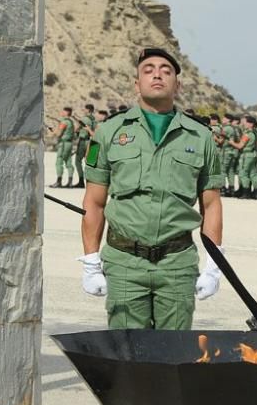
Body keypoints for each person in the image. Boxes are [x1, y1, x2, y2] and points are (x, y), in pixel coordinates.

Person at [79, 47, 225, 329]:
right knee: (127, 354)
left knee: (173, 356)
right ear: (137, 84)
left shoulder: (202, 136)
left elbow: (211, 204)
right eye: (148, 70)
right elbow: (94, 202)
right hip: (124, 264)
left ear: (178, 85)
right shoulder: (108, 133)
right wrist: (90, 262)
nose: (157, 74)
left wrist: (213, 267)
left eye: (166, 71)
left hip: (177, 263)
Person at [50, 106, 76, 188]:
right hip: (69, 144)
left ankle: (59, 181)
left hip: (63, 144)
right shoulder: (71, 122)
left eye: (63, 111)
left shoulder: (64, 122)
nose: (61, 113)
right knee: (68, 162)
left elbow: (58, 134)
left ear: (66, 112)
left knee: (59, 162)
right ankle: (70, 181)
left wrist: (53, 131)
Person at [73, 104, 97, 188]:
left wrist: (76, 128)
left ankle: (81, 181)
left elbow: (76, 129)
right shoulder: (94, 119)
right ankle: (90, 181)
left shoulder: (84, 119)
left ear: (88, 110)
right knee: (89, 163)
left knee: (78, 161)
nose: (84, 110)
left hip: (83, 142)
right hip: (92, 141)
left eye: (85, 109)